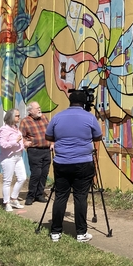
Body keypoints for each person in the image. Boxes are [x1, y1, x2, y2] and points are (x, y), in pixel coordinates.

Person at [46, 89, 102, 243]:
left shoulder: (57, 117)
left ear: (70, 101)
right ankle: (81, 233)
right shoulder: (89, 117)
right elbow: (98, 136)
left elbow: (48, 136)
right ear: (84, 103)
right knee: (80, 197)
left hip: (62, 162)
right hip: (83, 163)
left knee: (61, 196)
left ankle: (55, 232)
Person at [19, 101, 52, 205]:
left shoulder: (44, 118)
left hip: (46, 150)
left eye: (39, 107)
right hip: (34, 151)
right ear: (30, 111)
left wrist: (52, 143)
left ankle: (39, 194)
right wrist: (25, 142)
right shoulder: (25, 121)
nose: (39, 109)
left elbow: (51, 132)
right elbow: (21, 136)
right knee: (36, 174)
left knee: (44, 173)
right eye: (36, 108)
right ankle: (31, 196)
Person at [0, 108, 26, 212]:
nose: (19, 117)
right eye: (17, 115)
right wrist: (15, 141)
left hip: (18, 156)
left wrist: (23, 144)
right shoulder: (4, 129)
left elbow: (19, 141)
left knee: (22, 177)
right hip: (8, 158)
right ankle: (6, 202)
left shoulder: (16, 128)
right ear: (11, 117)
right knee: (7, 181)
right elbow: (3, 145)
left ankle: (14, 198)